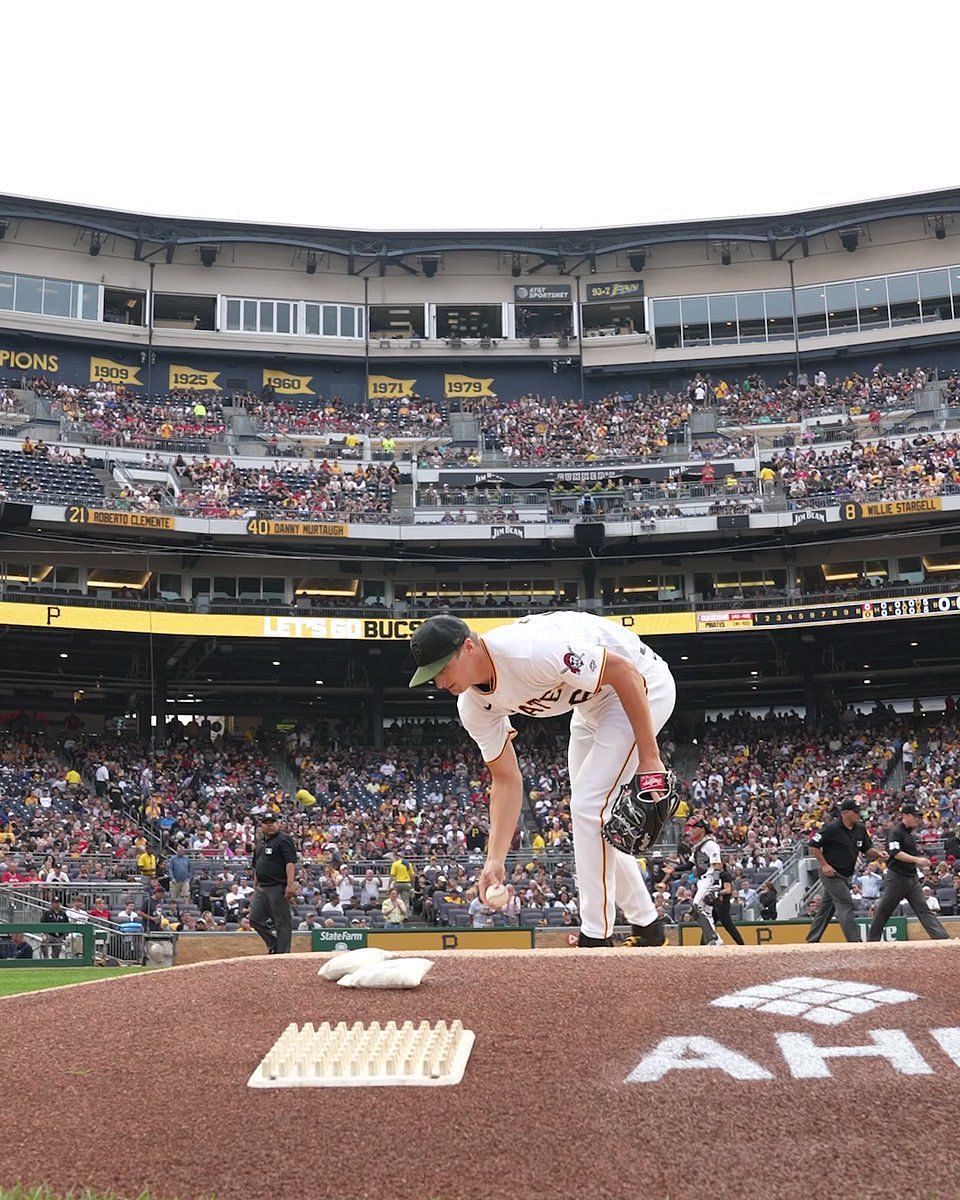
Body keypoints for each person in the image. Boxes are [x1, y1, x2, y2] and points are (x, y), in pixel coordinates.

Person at [408, 611, 677, 948]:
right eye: (431, 676)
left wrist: (650, 759)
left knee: (588, 806)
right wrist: (494, 858)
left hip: (641, 684)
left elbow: (623, 671)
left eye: (442, 669)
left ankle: (596, 937)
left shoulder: (529, 650)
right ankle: (648, 927)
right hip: (592, 704)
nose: (439, 682)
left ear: (468, 647)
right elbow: (506, 780)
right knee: (590, 819)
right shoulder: (473, 707)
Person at [867, 804, 950, 942]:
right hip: (897, 877)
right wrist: (917, 860)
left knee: (923, 909)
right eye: (915, 816)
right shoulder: (896, 832)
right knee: (884, 910)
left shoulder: (909, 834)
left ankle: (941, 938)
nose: (918, 820)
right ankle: (871, 941)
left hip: (911, 877)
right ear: (906, 816)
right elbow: (896, 853)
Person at [806, 798, 881, 943]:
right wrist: (824, 865)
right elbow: (813, 845)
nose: (859, 815)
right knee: (846, 903)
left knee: (827, 908)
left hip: (846, 874)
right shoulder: (831, 828)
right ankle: (854, 941)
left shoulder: (859, 829)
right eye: (856, 812)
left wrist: (878, 854)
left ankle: (812, 940)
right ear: (845, 813)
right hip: (831, 873)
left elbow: (867, 849)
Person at [249, 813, 298, 955]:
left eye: (273, 822)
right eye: (266, 823)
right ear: (261, 825)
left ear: (278, 824)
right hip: (262, 887)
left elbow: (290, 863)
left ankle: (282, 954)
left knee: (282, 922)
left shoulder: (283, 839)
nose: (270, 825)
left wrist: (290, 885)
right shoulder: (260, 842)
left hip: (278, 886)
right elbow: (256, 864)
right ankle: (273, 943)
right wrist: (255, 883)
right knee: (254, 919)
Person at [685, 817, 725, 947]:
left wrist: (716, 884)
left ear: (702, 829)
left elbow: (717, 864)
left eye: (694, 827)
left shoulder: (710, 844)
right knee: (706, 913)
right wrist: (672, 868)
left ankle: (714, 938)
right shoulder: (698, 846)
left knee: (697, 907)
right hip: (703, 880)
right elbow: (688, 865)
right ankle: (714, 941)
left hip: (711, 878)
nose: (691, 830)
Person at [711, 865, 745, 946]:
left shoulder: (724, 875)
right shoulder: (716, 875)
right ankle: (702, 944)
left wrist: (717, 892)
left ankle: (741, 944)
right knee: (710, 923)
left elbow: (728, 890)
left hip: (723, 904)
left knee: (728, 925)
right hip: (716, 903)